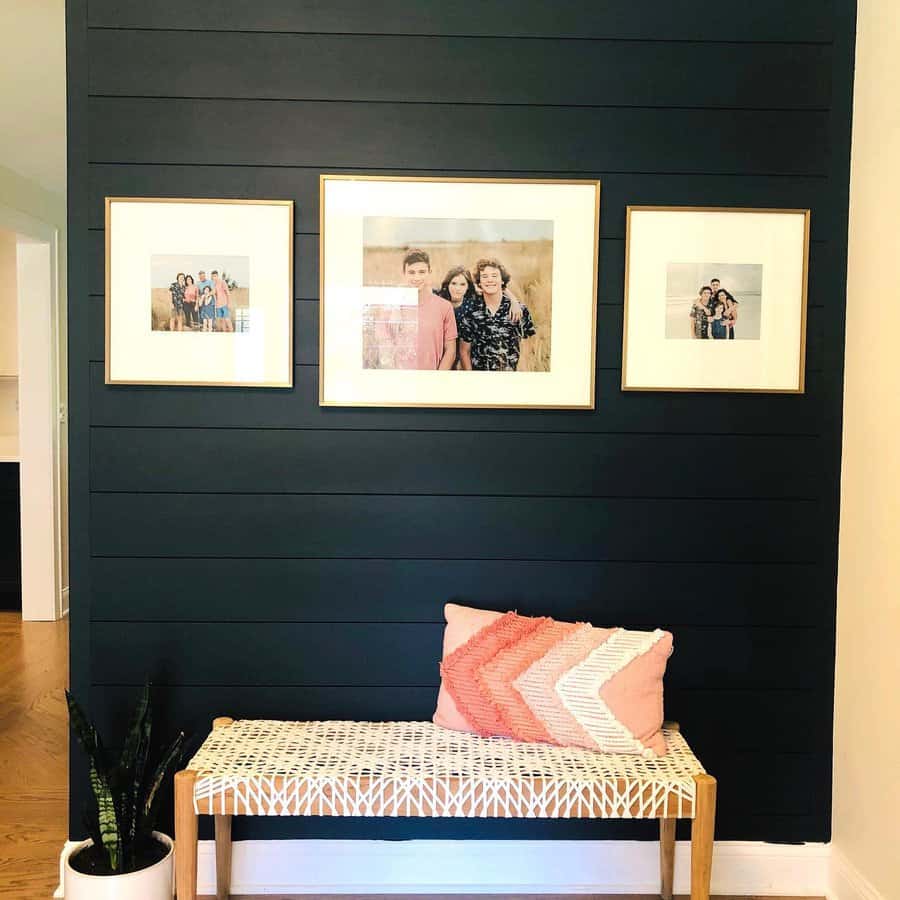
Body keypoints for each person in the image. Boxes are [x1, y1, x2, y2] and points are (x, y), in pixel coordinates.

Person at [458, 257, 535, 370]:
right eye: (484, 276)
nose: (490, 280)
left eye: (494, 276)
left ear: (502, 280)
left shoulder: (519, 310)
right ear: (479, 282)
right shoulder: (471, 312)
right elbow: (464, 351)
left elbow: (529, 349)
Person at [402, 249, 457, 369]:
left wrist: (436, 380)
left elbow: (451, 350)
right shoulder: (394, 307)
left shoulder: (444, 307)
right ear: (404, 274)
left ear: (430, 272)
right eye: (411, 272)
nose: (417, 278)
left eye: (422, 272)